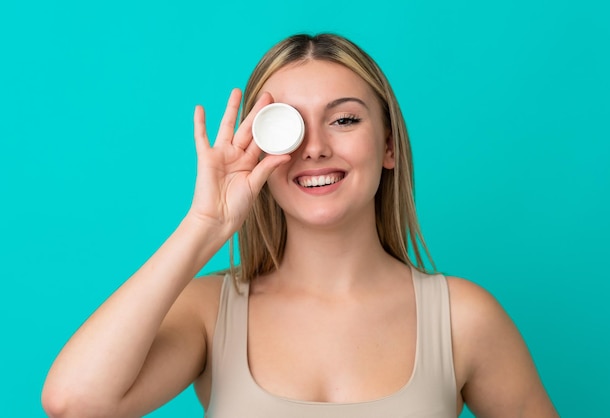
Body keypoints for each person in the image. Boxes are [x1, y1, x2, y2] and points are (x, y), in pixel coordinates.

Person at [42, 33, 559, 418]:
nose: (314, 148)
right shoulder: (211, 312)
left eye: (344, 119)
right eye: (288, 126)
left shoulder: (463, 318)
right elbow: (75, 403)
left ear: (388, 147)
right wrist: (205, 224)